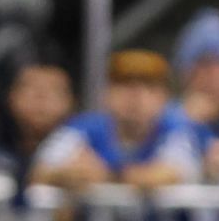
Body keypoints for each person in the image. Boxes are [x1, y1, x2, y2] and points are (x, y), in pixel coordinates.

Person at [31, 50, 200, 195]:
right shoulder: (84, 128)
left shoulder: (175, 129)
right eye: (125, 85)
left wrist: (108, 175)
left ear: (163, 97)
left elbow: (171, 173)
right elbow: (40, 173)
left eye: (148, 87)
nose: (136, 97)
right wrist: (67, 174)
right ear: (107, 92)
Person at [173, 10, 219, 144]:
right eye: (203, 66)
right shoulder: (170, 120)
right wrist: (183, 120)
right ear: (185, 76)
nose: (214, 79)